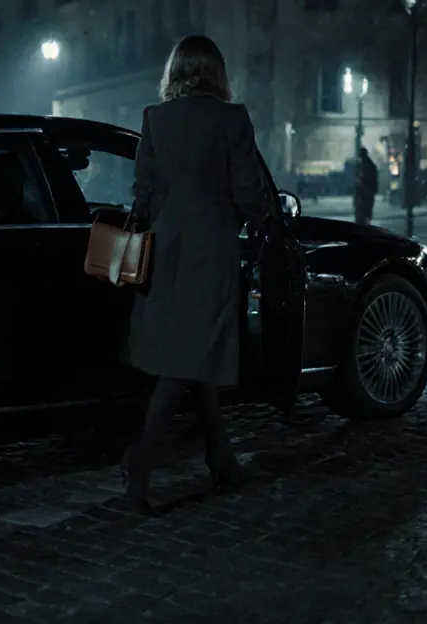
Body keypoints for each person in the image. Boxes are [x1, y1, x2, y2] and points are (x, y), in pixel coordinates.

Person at [119, 35, 279, 515]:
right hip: (211, 250)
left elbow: (143, 192)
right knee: (189, 357)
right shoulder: (232, 119)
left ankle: (220, 456)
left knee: (191, 352)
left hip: (167, 250)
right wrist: (269, 218)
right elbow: (248, 188)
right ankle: (141, 460)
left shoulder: (155, 119)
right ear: (216, 72)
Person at [354, 147, 378, 225]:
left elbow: (363, 178)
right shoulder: (368, 164)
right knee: (366, 212)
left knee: (363, 212)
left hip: (365, 192)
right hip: (366, 192)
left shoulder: (365, 165)